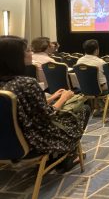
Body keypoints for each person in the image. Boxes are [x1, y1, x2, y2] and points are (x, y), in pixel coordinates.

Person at [0, 36, 90, 169]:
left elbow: (18, 108)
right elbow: (48, 115)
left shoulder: (9, 84)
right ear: (14, 57)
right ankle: (65, 156)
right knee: (84, 108)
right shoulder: (26, 84)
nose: (31, 53)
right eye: (27, 50)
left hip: (7, 141)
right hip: (34, 141)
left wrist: (51, 97)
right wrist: (63, 98)